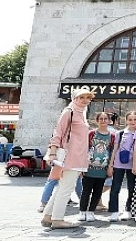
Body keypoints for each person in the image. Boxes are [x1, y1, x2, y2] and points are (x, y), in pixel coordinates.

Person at [41, 88, 94, 229]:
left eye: (87, 97)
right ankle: (58, 219)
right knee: (66, 189)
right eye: (81, 97)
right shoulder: (68, 112)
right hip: (70, 156)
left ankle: (48, 216)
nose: (85, 100)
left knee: (62, 188)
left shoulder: (81, 113)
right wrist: (52, 152)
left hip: (78, 156)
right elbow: (58, 132)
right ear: (74, 98)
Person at [78, 112, 116, 222]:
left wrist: (110, 167)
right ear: (97, 121)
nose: (103, 121)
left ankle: (91, 211)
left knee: (98, 192)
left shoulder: (112, 136)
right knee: (86, 191)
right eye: (101, 119)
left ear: (109, 121)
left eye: (105, 119)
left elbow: (112, 152)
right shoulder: (91, 134)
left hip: (102, 169)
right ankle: (82, 211)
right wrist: (82, 166)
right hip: (89, 168)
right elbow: (84, 149)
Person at [107, 111, 136, 221]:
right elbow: (115, 149)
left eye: (135, 119)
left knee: (132, 188)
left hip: (133, 165)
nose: (132, 122)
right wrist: (111, 165)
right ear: (126, 120)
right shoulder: (120, 133)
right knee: (115, 188)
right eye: (130, 119)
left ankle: (128, 210)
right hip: (118, 164)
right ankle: (114, 211)